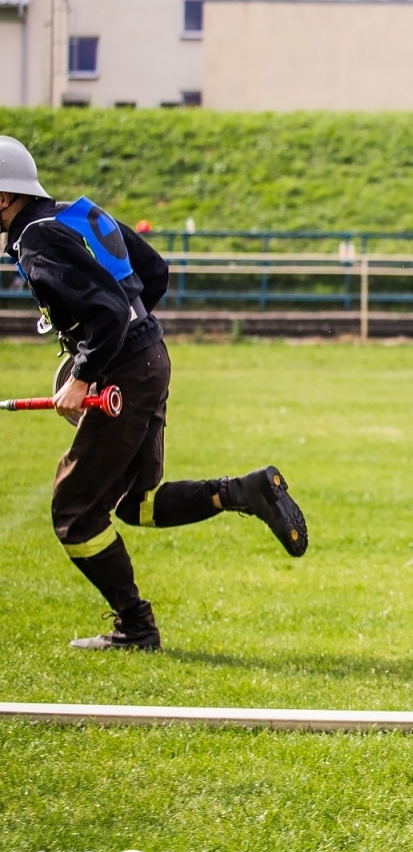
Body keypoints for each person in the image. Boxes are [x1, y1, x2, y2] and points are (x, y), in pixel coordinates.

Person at [0, 136, 308, 651]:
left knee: (74, 512)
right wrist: (130, 339)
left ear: (5, 196)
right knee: (135, 502)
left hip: (126, 370)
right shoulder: (74, 213)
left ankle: (136, 627)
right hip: (147, 358)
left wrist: (85, 373)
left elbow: (107, 311)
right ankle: (244, 491)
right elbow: (152, 272)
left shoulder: (36, 239)